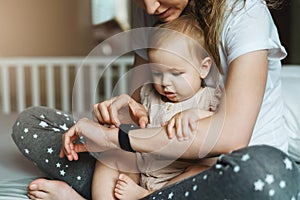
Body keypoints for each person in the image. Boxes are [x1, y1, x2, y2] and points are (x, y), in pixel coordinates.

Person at [11, 0, 300, 200]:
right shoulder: (155, 11)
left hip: (221, 169)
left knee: (269, 171)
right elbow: (142, 104)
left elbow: (229, 138)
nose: (150, 8)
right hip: (148, 162)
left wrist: (115, 139)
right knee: (32, 122)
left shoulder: (245, 12)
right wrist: (122, 112)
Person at [90, 14, 222, 200]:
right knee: (112, 155)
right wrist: (127, 116)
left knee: (203, 171)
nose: (165, 83)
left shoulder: (210, 98)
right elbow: (133, 126)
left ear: (203, 68)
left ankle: (150, 196)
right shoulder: (148, 93)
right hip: (143, 170)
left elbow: (222, 127)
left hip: (179, 178)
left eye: (176, 73)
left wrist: (197, 115)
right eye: (156, 73)